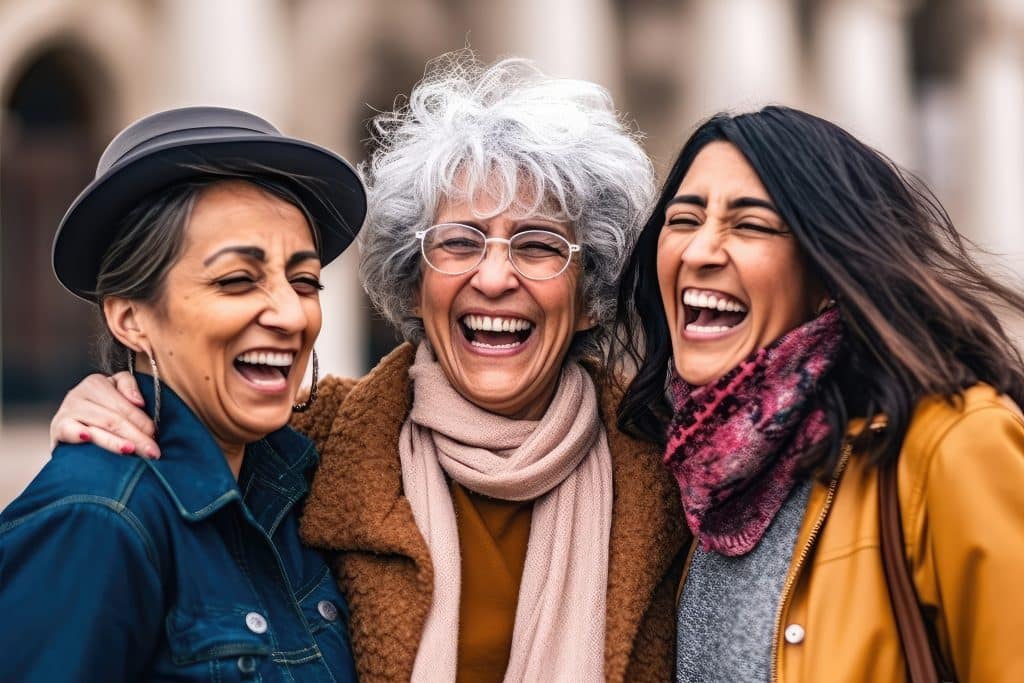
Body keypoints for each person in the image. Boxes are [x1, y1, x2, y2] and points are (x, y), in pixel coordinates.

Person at [48, 55, 689, 682]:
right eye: (459, 242)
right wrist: (124, 397)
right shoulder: (305, 447)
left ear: (589, 295)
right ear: (413, 286)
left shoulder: (672, 466)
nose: (494, 278)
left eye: (540, 245)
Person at [615, 105, 1024, 681]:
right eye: (683, 220)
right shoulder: (694, 477)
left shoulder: (953, 444)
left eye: (751, 224)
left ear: (829, 272)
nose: (698, 252)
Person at [0, 106, 366, 682]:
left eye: (305, 281)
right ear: (130, 318)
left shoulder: (309, 492)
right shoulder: (94, 520)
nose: (291, 313)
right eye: (236, 281)